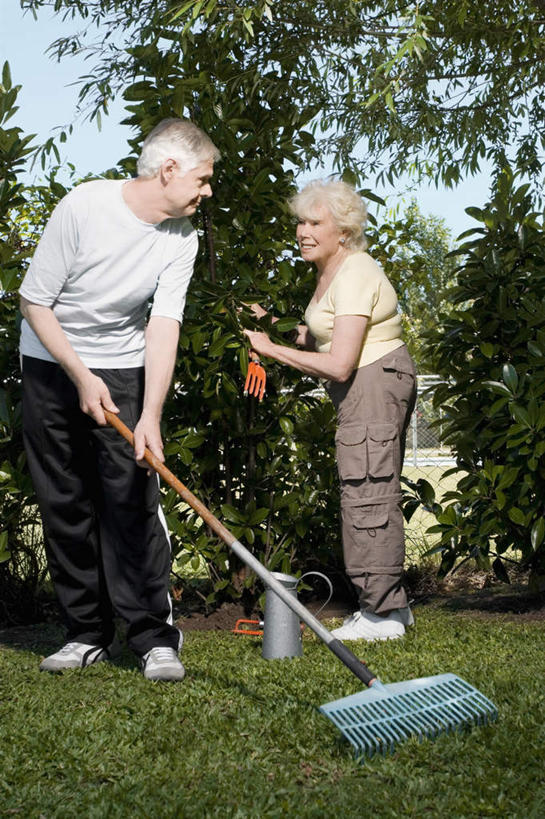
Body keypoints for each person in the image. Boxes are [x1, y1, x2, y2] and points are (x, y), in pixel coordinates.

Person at [19, 118, 220, 679]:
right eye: (203, 179)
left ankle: (153, 637)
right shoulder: (85, 206)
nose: (207, 191)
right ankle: (86, 634)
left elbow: (164, 323)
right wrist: (81, 376)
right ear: (169, 169)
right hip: (51, 362)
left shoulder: (182, 237)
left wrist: (150, 413)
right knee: (64, 501)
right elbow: (34, 302)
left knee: (131, 499)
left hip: (124, 366)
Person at [244, 179, 417, 642]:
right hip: (367, 384)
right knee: (366, 486)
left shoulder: (355, 270)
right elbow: (320, 335)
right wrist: (270, 324)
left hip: (371, 382)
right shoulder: (331, 272)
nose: (303, 231)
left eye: (314, 223)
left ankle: (382, 614)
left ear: (343, 231)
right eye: (300, 222)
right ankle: (391, 608)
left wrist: (270, 349)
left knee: (367, 492)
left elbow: (340, 363)